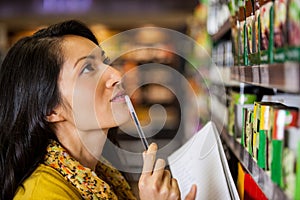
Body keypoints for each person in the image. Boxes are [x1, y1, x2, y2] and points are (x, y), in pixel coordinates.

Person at [0, 20, 197, 200]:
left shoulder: (102, 175)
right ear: (51, 110)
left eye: (105, 62)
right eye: (87, 68)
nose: (117, 75)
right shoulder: (42, 195)